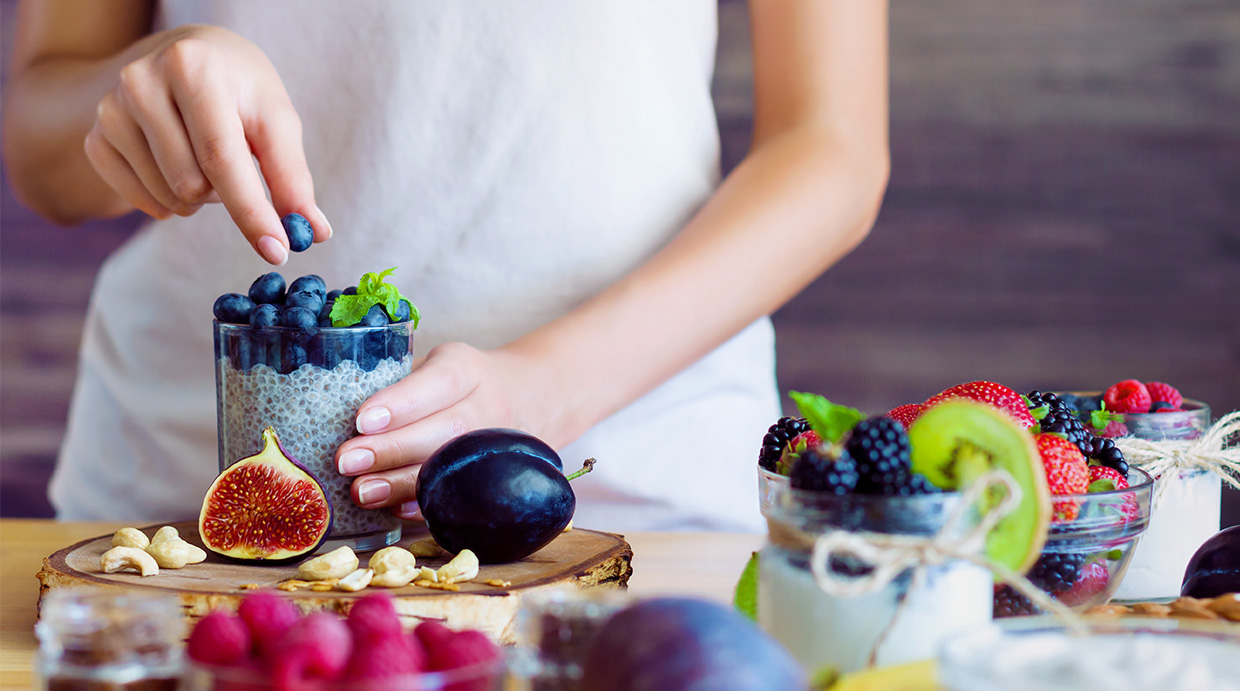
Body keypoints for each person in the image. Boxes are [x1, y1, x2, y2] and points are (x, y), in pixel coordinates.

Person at [4, 0, 889, 531]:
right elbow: (44, 152)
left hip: (628, 484)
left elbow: (832, 148)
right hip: (184, 491)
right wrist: (144, 85)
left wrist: (549, 388)